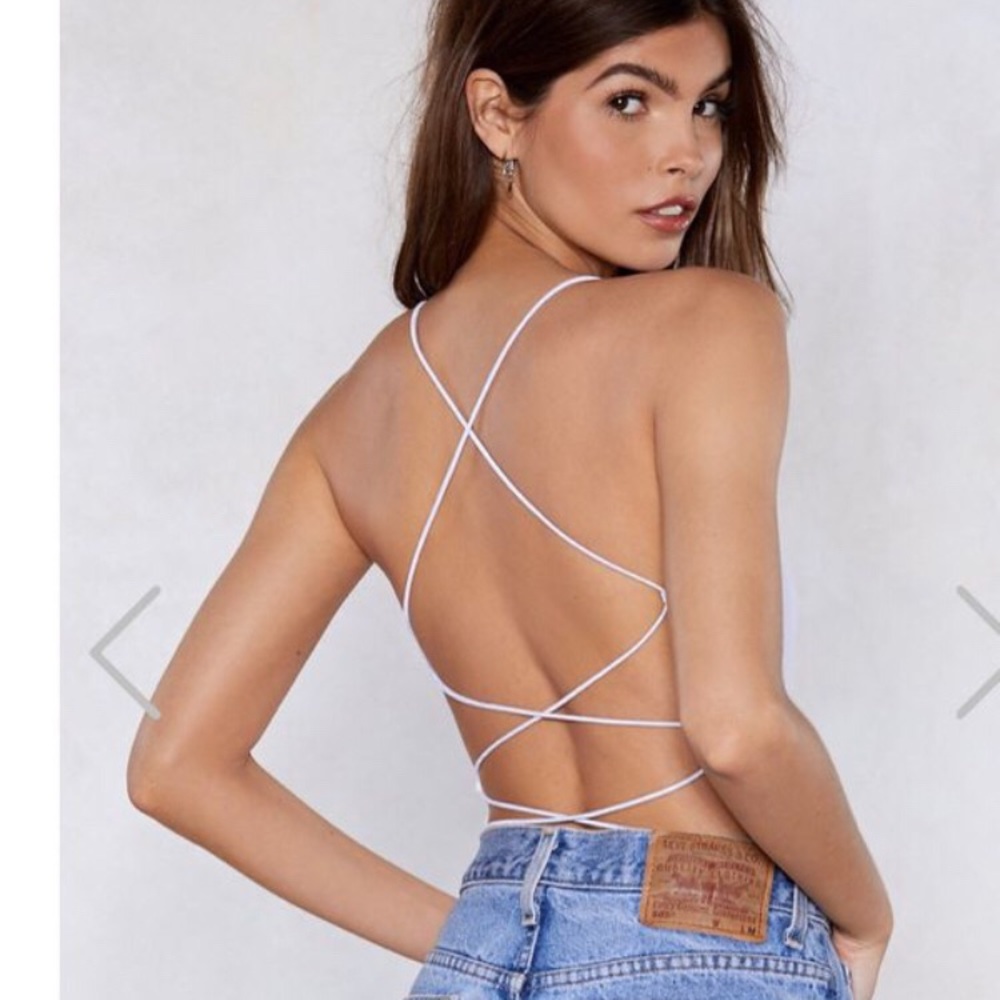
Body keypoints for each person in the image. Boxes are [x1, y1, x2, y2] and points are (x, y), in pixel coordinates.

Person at [127, 1, 893, 997]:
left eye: (709, 107)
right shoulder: (709, 321)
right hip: (703, 940)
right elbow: (737, 729)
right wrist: (865, 914)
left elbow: (175, 766)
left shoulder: (355, 414)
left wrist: (484, 939)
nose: (687, 155)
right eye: (630, 101)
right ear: (496, 114)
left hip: (487, 951)